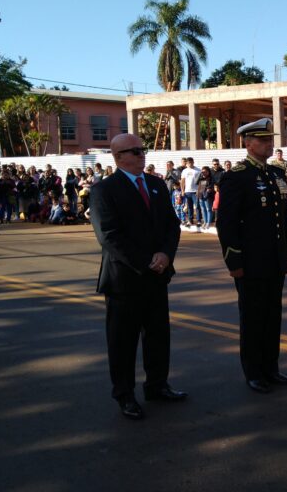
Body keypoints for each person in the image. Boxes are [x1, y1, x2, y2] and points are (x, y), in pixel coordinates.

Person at [89, 133, 185, 420]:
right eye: (135, 150)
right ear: (119, 157)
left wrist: (166, 255)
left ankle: (157, 385)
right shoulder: (104, 190)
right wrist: (147, 261)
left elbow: (172, 225)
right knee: (123, 342)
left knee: (158, 336)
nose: (142, 154)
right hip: (125, 280)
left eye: (142, 149)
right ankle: (125, 395)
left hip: (157, 276)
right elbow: (109, 236)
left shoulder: (155, 184)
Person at [216, 118, 287, 394]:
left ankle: (270, 368)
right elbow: (226, 224)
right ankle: (253, 372)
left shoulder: (276, 174)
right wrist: (234, 261)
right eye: (262, 140)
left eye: (270, 139)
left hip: (275, 260)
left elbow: (284, 216)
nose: (269, 144)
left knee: (273, 315)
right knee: (252, 318)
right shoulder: (236, 177)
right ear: (248, 143)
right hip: (250, 263)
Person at [180, 157, 200, 226]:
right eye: (188, 163)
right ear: (186, 164)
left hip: (195, 191)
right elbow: (182, 181)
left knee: (197, 206)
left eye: (191, 162)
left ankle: (198, 220)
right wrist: (182, 191)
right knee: (189, 207)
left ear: (193, 162)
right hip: (187, 191)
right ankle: (190, 220)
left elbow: (201, 182)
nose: (190, 164)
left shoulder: (198, 170)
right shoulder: (184, 171)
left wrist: (199, 190)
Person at [196, 166, 215, 230]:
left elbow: (212, 186)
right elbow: (196, 183)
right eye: (203, 171)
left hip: (208, 196)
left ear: (208, 172)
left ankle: (208, 222)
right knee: (203, 209)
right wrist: (200, 174)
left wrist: (209, 189)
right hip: (201, 195)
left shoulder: (211, 178)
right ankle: (205, 221)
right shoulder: (201, 178)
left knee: (208, 209)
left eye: (205, 171)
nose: (204, 173)